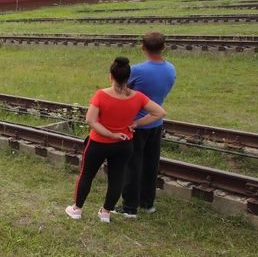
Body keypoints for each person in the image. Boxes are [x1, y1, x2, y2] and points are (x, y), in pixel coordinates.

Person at [66, 57, 166, 223]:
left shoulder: (101, 95)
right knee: (117, 178)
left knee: (86, 175)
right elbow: (160, 113)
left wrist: (110, 134)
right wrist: (137, 123)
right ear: (128, 78)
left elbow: (90, 120)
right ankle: (105, 212)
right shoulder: (138, 97)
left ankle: (77, 209)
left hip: (98, 143)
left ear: (110, 76)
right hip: (124, 144)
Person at [119, 32, 177, 217]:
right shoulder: (171, 69)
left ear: (142, 47)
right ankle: (147, 203)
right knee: (151, 165)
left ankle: (129, 208)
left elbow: (120, 90)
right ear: (164, 47)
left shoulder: (137, 70)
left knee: (132, 167)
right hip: (156, 123)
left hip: (135, 126)